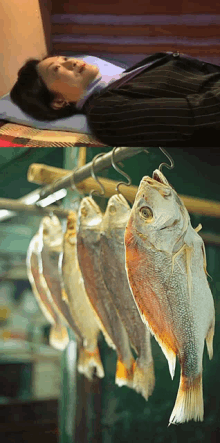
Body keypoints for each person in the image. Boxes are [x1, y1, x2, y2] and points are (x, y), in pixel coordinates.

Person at [10, 52, 220, 147]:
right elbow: (198, 114)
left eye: (64, 59)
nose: (71, 62)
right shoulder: (104, 113)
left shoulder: (118, 83)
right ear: (57, 102)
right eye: (57, 69)